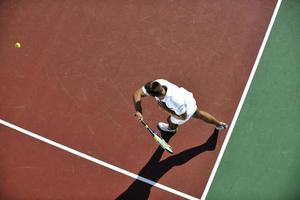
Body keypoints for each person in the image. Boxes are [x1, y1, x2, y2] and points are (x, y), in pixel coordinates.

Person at [133, 79, 228, 133]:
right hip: (187, 97)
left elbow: (183, 117)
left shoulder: (174, 101)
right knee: (199, 114)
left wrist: (164, 108)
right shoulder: (158, 82)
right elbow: (137, 93)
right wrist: (138, 111)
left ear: (154, 96)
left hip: (184, 110)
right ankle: (219, 124)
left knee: (170, 120)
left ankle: (171, 129)